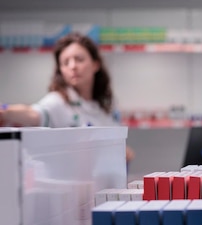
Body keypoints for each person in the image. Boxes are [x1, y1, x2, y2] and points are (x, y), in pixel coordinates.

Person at [0, 32, 134, 162]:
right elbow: (33, 114)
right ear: (61, 70)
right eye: (65, 62)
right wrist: (5, 112)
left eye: (79, 59)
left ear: (95, 64)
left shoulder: (106, 105)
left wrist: (122, 151)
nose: (73, 66)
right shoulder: (58, 102)